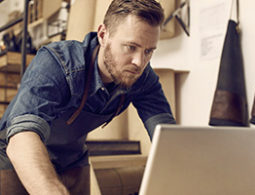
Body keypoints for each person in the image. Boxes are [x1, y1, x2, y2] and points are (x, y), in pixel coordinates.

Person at [0, 0, 176, 194]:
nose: (139, 62)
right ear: (103, 35)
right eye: (130, 47)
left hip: (72, 159)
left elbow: (167, 139)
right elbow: (22, 139)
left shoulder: (142, 77)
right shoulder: (56, 63)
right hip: (15, 157)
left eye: (148, 51)